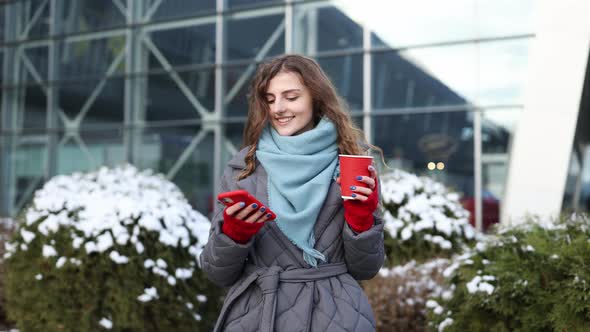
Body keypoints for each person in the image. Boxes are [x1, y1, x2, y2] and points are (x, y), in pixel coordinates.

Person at [200, 54, 385, 332]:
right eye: (270, 99)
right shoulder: (244, 167)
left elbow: (366, 268)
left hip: (334, 316)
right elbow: (217, 272)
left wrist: (361, 220)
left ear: (316, 98)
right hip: (258, 316)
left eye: (291, 96)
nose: (278, 108)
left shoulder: (350, 164)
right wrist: (234, 235)